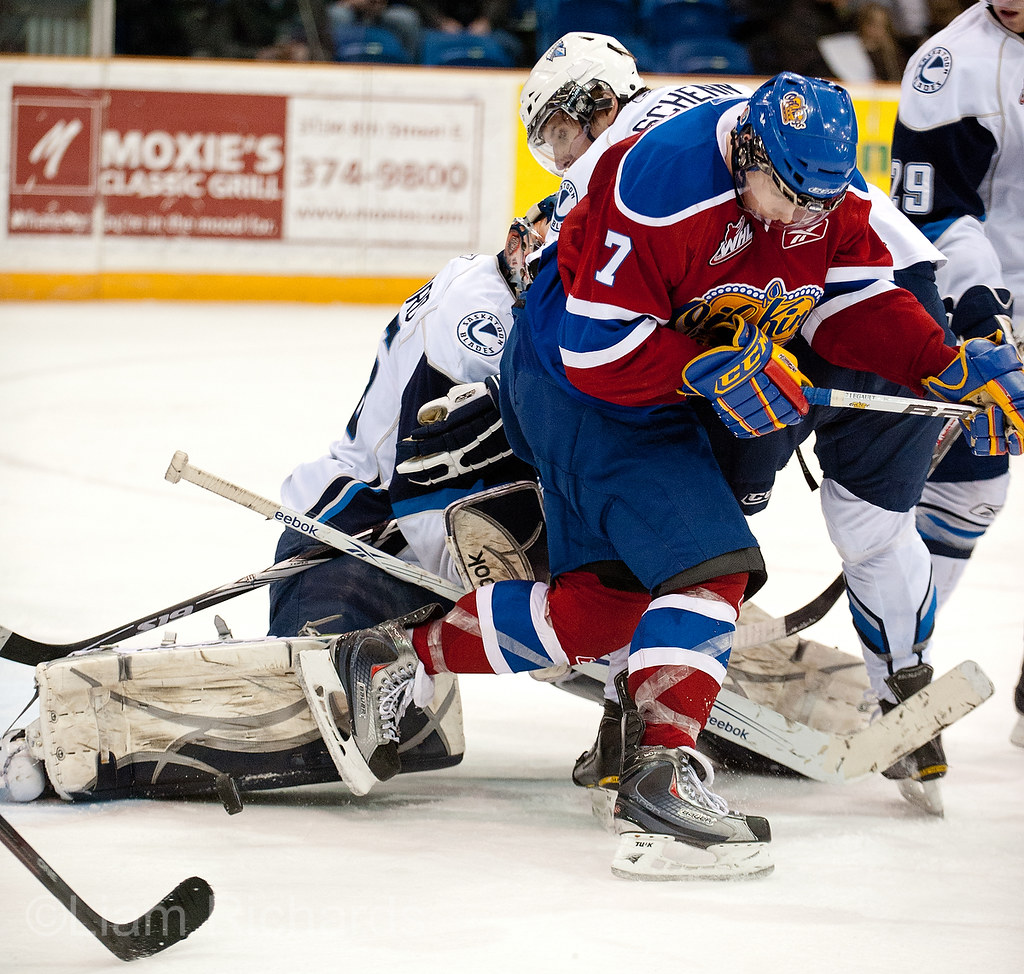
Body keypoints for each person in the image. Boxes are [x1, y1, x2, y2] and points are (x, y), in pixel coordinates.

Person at [295, 70, 1024, 880]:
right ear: (748, 148)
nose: (799, 218)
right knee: (711, 571)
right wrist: (709, 368)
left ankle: (395, 659)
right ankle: (662, 782)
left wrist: (941, 364)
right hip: (583, 393)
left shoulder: (820, 188)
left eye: (818, 202)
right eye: (784, 194)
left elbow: (846, 301)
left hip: (642, 393)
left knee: (607, 608)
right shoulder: (659, 181)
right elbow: (596, 348)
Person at [520, 31, 961, 817]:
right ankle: (888, 690)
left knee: (805, 522)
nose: (565, 149)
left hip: (864, 295)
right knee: (775, 519)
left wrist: (940, 361)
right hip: (784, 308)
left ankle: (890, 686)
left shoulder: (682, 162)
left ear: (602, 104)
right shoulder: (671, 154)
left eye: (566, 128)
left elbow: (842, 278)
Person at [269, 197, 554, 639]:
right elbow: (424, 483)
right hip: (361, 534)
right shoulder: (476, 329)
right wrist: (511, 607)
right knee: (321, 693)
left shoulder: (492, 279)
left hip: (400, 525)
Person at [890, 0, 1024, 747]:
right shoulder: (951, 67)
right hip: (991, 300)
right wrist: (981, 314)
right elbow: (934, 213)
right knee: (971, 486)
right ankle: (903, 679)